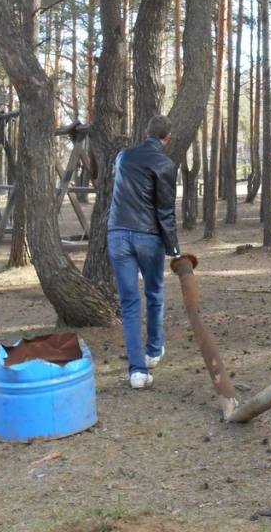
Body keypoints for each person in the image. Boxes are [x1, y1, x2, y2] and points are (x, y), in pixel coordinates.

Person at [108, 114, 181, 390]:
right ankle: (153, 351)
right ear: (168, 137)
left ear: (146, 130)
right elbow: (165, 210)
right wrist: (174, 249)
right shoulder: (165, 164)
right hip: (149, 237)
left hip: (117, 234)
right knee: (154, 293)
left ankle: (136, 371)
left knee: (129, 303)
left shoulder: (123, 157)